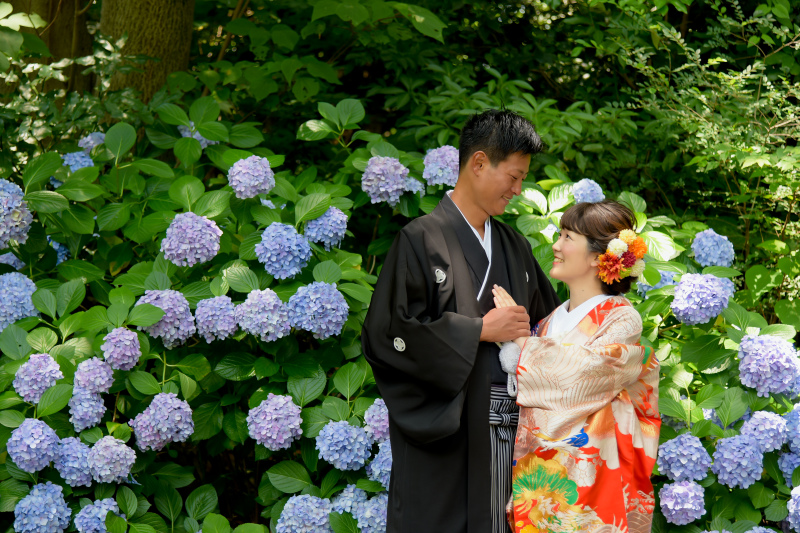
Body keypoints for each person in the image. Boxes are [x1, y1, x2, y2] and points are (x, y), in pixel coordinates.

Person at [361, 110, 561, 533]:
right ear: (479, 163)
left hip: (509, 438)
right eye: (513, 176)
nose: (518, 189)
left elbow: (550, 326)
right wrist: (479, 330)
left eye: (523, 179)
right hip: (444, 439)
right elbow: (387, 336)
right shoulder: (420, 240)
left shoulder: (514, 245)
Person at [492, 199, 661, 533]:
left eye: (568, 237)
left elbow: (584, 375)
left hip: (593, 486)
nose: (556, 245)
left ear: (599, 257)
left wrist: (523, 343)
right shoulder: (552, 319)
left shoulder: (620, 317)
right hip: (539, 482)